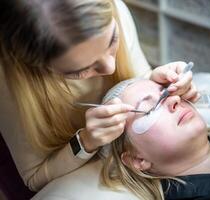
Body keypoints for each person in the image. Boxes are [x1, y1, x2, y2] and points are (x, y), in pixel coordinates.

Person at [0, 0, 199, 192]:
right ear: (39, 67)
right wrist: (86, 141)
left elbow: (135, 79)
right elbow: (34, 179)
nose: (110, 68)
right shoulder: (9, 83)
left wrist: (153, 79)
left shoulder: (116, 10)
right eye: (79, 71)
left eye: (112, 39)